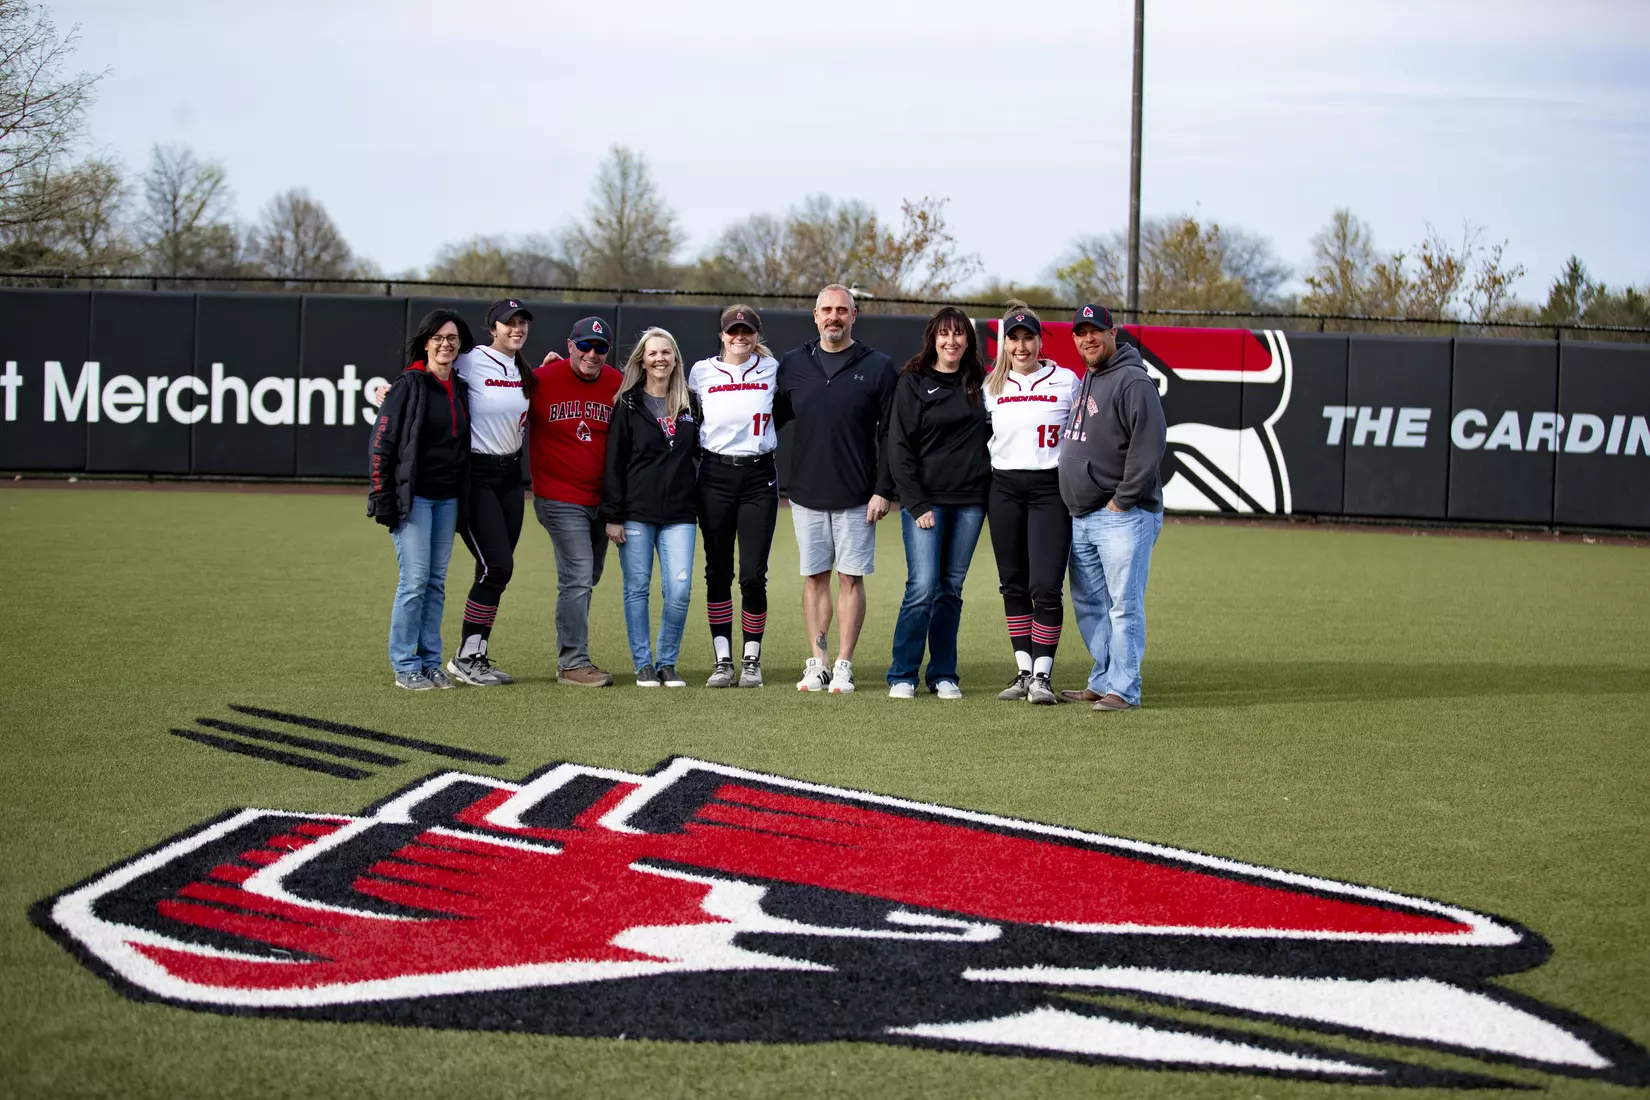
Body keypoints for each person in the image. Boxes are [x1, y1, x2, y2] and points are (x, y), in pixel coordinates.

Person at [773, 284, 898, 694]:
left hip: (858, 495)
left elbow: (890, 435)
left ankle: (843, 663)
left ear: (854, 315)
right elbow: (770, 419)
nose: (834, 317)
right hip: (806, 494)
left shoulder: (878, 366)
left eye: (842, 310)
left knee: (850, 579)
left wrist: (883, 489)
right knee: (814, 577)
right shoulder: (793, 364)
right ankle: (818, 662)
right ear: (815, 316)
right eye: (826, 310)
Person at [1057, 304, 1168, 711]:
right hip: (1084, 516)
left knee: (1123, 607)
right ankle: (1103, 679)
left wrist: (1123, 499)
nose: (1088, 339)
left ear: (1112, 332)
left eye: (1095, 331)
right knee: (1091, 605)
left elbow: (1150, 445)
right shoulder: (1091, 376)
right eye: (1081, 333)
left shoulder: (1132, 380)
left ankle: (1124, 689)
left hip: (1120, 515)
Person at [884, 306, 991, 700]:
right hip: (925, 504)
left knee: (951, 589)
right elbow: (899, 447)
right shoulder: (913, 382)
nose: (951, 341)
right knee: (922, 586)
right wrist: (916, 503)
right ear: (933, 338)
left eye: (959, 334)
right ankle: (903, 674)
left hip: (970, 504)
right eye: (944, 334)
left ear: (969, 340)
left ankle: (944, 673)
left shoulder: (981, 381)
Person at [366, 310, 474, 690]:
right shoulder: (408, 385)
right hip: (413, 500)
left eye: (453, 338)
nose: (446, 344)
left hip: (447, 500)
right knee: (414, 581)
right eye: (439, 337)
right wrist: (381, 497)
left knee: (435, 583)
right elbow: (382, 445)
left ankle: (430, 661)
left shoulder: (460, 387)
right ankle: (404, 664)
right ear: (426, 341)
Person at [983, 304, 1080, 706]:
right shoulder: (991, 385)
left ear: (1040, 341)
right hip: (1003, 488)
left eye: (1028, 338)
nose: (1021, 346)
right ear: (1004, 342)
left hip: (1049, 489)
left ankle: (1043, 675)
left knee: (1045, 586)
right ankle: (1024, 671)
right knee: (1013, 583)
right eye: (1013, 338)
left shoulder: (1066, 380)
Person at [601, 327, 700, 688]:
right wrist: (612, 516)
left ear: (675, 359)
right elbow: (614, 462)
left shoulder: (691, 401)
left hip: (680, 514)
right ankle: (643, 664)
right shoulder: (627, 402)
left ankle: (667, 663)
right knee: (637, 589)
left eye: (666, 352)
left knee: (679, 590)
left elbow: (699, 456)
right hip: (635, 513)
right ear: (642, 360)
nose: (660, 359)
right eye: (653, 353)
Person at [528, 316, 623, 687]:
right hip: (558, 496)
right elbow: (491, 391)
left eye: (600, 347)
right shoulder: (541, 379)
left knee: (587, 576)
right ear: (570, 345)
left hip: (601, 500)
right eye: (585, 345)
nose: (592, 353)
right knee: (580, 574)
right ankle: (572, 662)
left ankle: (571, 656)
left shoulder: (617, 383)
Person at [689, 305, 779, 688]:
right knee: (717, 572)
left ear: (757, 334)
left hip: (759, 475)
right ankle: (723, 660)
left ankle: (751, 660)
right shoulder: (700, 371)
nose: (739, 336)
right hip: (715, 474)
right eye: (733, 330)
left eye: (747, 330)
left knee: (753, 576)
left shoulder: (774, 369)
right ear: (722, 334)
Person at [446, 298, 534, 687]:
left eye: (521, 322)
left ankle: (475, 655)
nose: (516, 328)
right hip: (477, 474)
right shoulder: (470, 359)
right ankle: (465, 657)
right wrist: (388, 388)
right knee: (496, 565)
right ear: (493, 328)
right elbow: (428, 373)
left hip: (511, 475)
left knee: (495, 571)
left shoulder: (524, 369)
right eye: (508, 323)